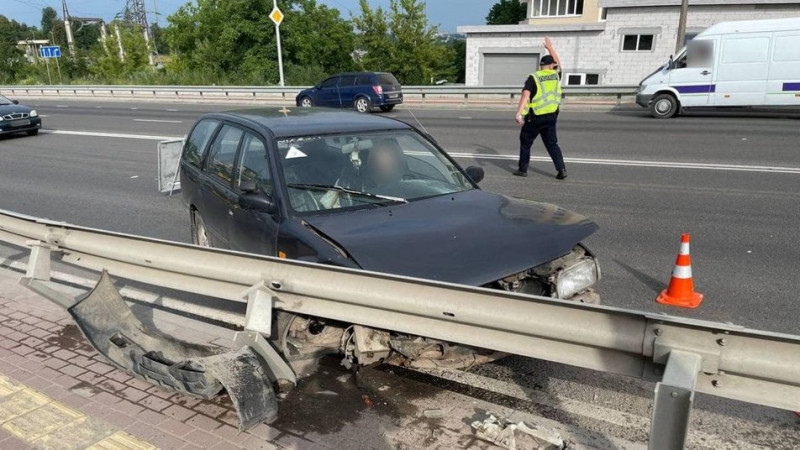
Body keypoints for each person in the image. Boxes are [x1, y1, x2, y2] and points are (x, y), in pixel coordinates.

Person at [513, 36, 567, 180]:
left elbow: (525, 95)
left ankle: (523, 170)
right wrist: (550, 48)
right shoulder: (555, 75)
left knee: (525, 142)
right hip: (551, 116)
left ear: (541, 65)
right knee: (552, 144)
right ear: (551, 65)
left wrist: (519, 113)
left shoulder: (534, 77)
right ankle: (561, 169)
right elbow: (558, 62)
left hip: (535, 117)